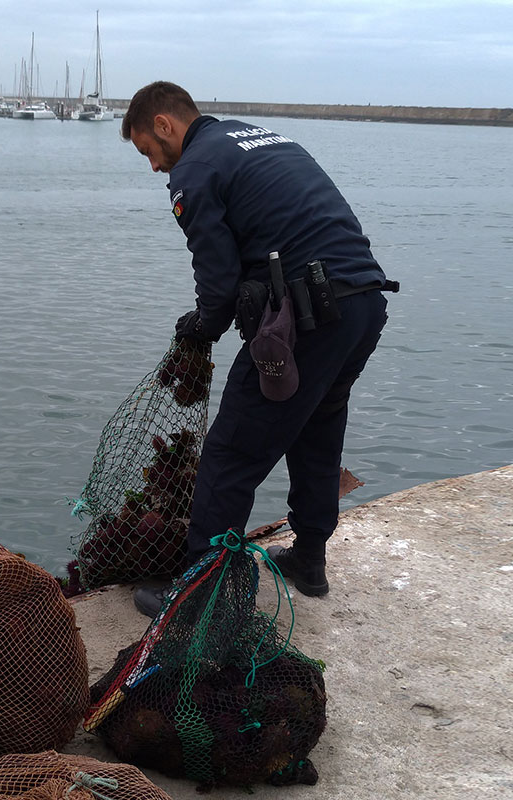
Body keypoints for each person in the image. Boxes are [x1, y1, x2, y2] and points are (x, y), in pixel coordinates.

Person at [122, 81, 395, 617]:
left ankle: (202, 595)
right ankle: (310, 560)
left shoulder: (195, 170)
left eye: (147, 153)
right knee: (317, 429)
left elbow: (217, 279)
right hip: (363, 302)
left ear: (163, 125)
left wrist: (201, 327)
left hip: (308, 317)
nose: (153, 167)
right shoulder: (258, 136)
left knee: (230, 453)